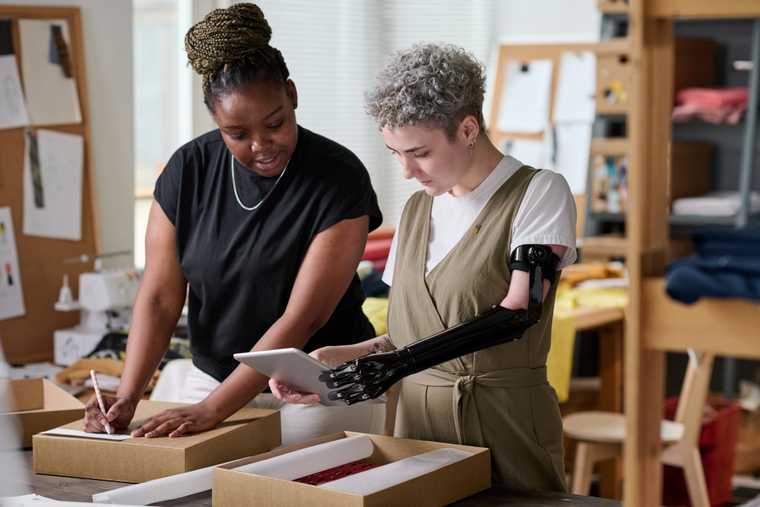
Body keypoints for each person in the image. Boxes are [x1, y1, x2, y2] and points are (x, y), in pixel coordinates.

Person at [270, 43, 576, 491]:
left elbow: (519, 312)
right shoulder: (417, 210)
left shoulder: (537, 193)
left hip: (502, 420)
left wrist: (397, 364)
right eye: (395, 153)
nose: (408, 170)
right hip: (415, 424)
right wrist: (336, 360)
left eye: (420, 153)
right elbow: (410, 335)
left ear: (468, 128)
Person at [84, 3, 382, 445]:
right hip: (215, 379)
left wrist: (212, 411)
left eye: (275, 123)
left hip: (315, 383)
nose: (261, 145)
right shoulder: (188, 170)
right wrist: (128, 395)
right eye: (237, 134)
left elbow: (305, 317)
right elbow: (161, 299)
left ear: (293, 95)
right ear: (216, 123)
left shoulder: (339, 177)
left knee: (285, 481)